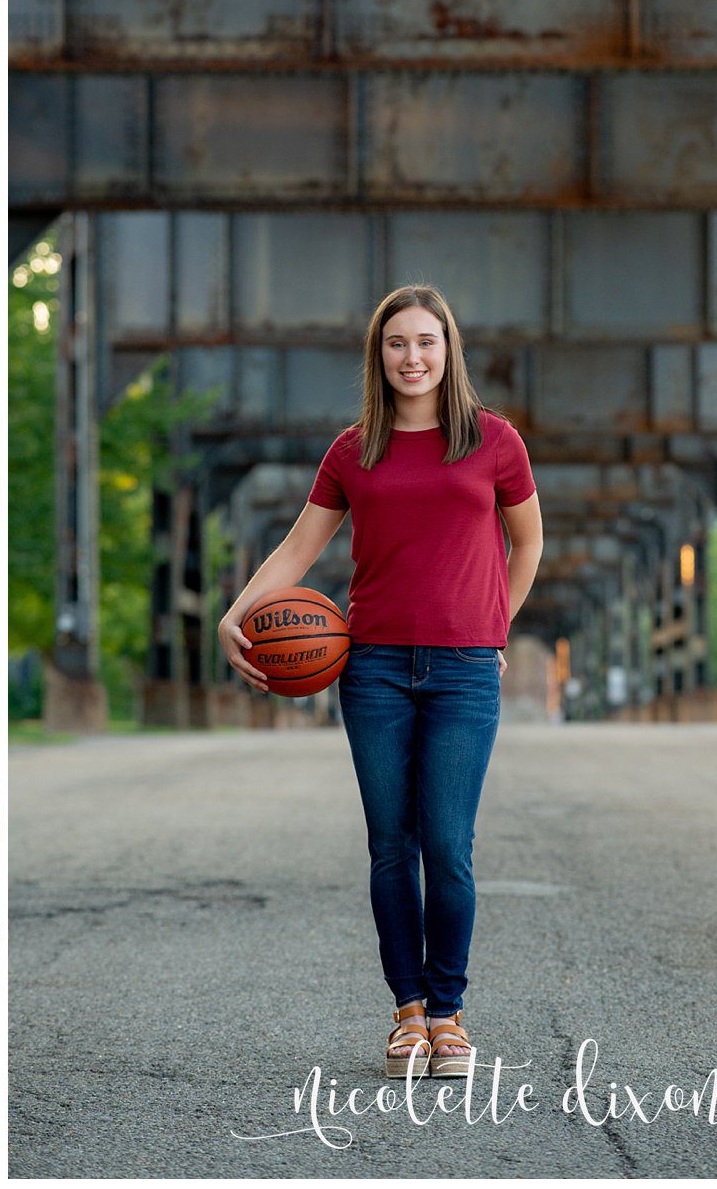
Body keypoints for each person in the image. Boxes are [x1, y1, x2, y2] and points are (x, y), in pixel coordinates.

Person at [216, 285, 542, 1078]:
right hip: (374, 670)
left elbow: (526, 545)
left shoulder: (495, 442)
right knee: (390, 845)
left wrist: (495, 629)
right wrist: (238, 612)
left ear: (449, 350)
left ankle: (450, 1015)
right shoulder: (354, 449)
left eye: (427, 341)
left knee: (448, 845)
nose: (413, 357)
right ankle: (406, 1016)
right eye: (397, 343)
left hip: (465, 669)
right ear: (379, 355)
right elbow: (297, 550)